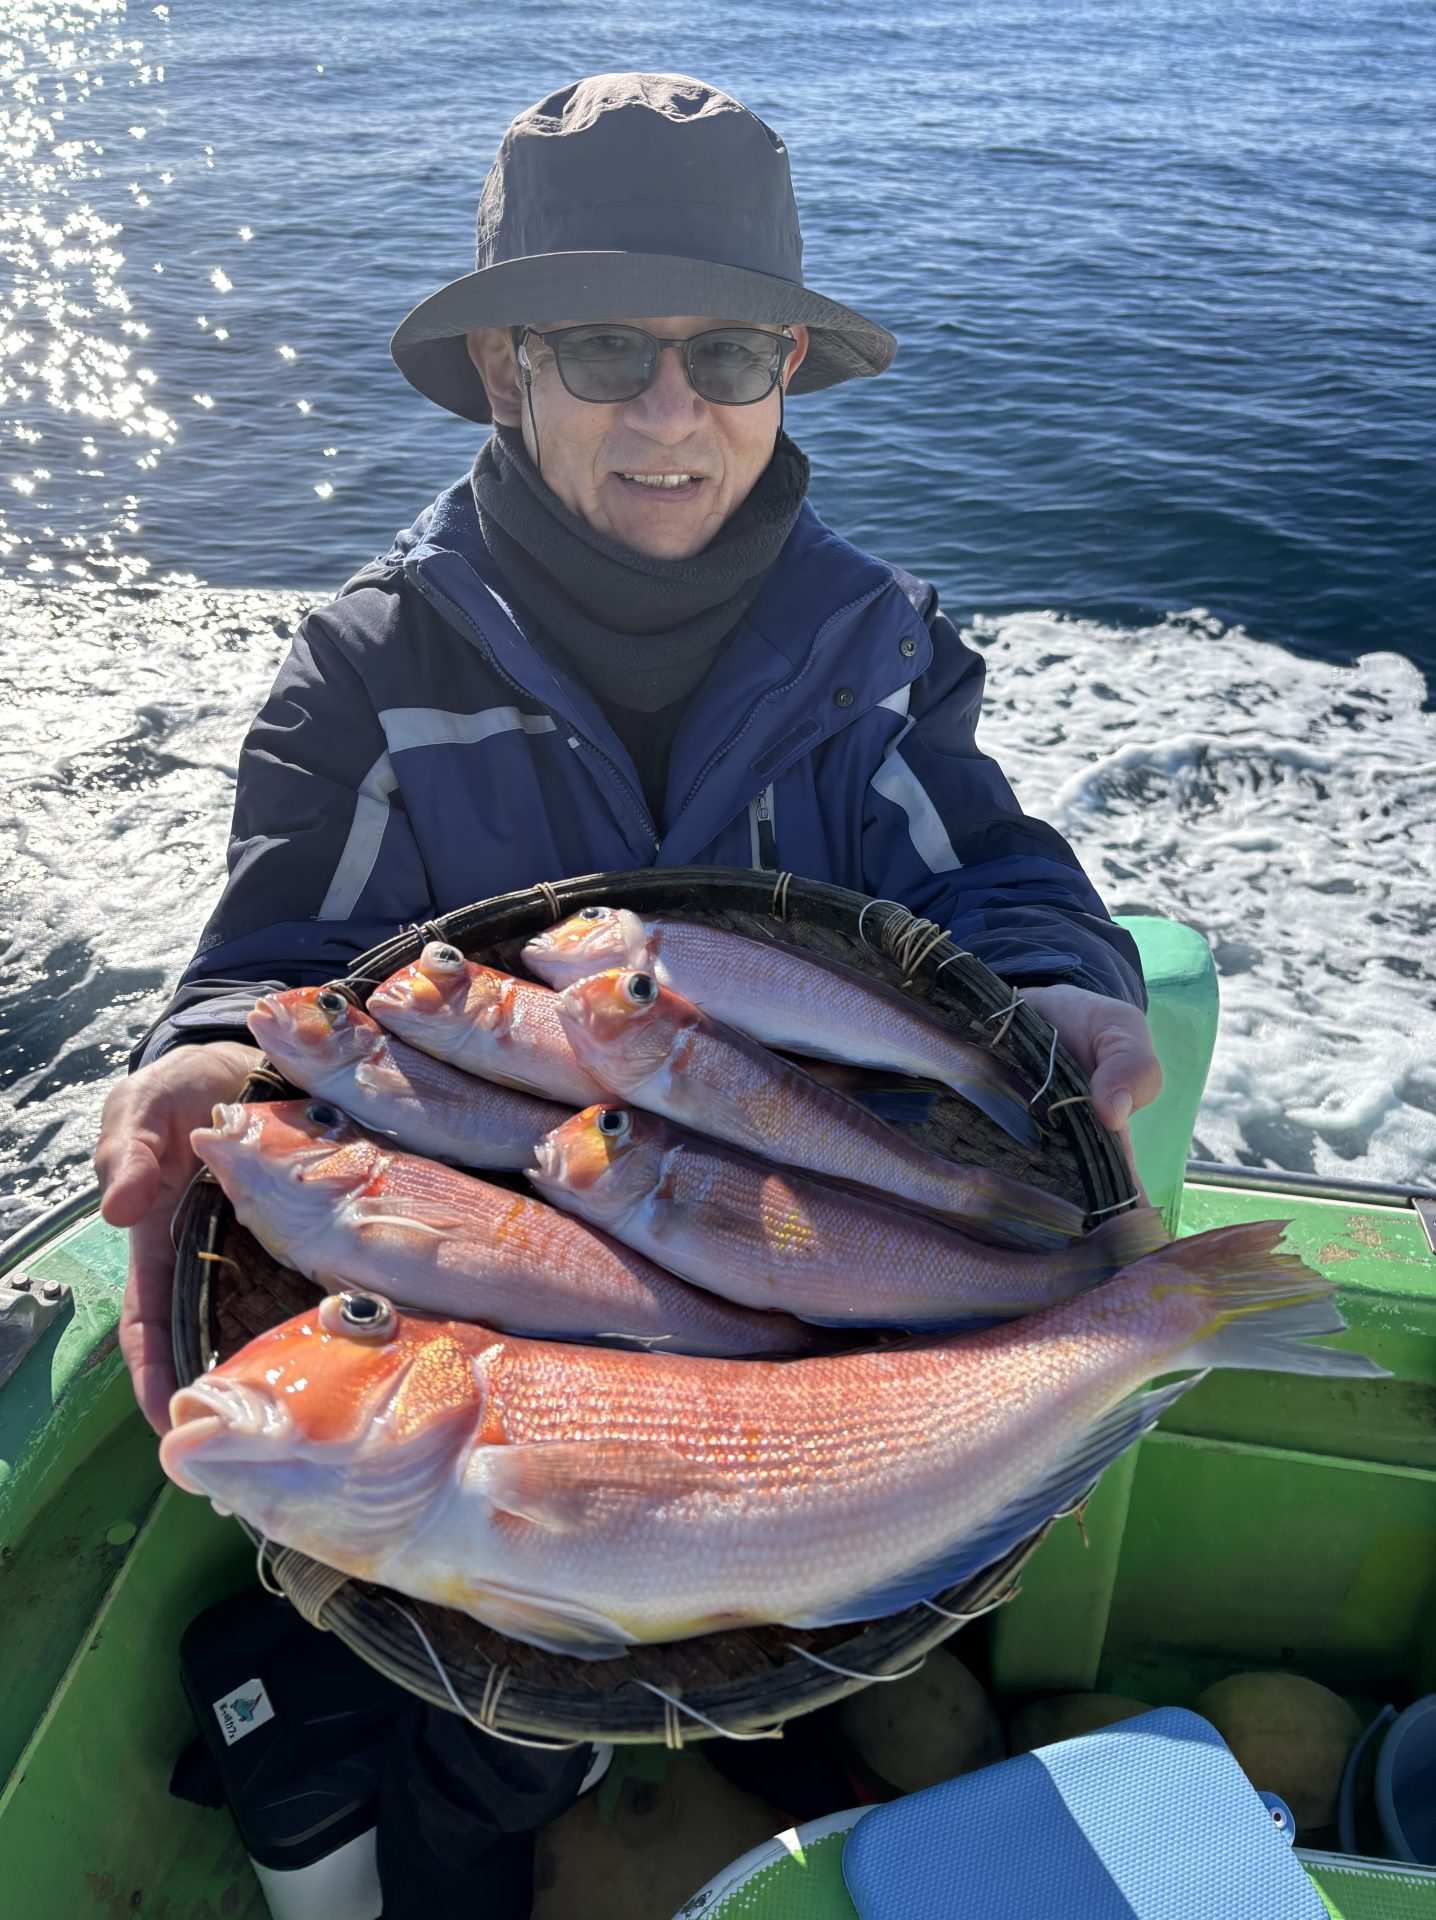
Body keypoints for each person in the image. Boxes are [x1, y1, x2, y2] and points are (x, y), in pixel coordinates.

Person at [93, 71, 1160, 1914]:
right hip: (511, 1387)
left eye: (727, 353)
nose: (673, 413)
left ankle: (763, 1738)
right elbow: (276, 956)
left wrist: (1061, 980)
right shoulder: (367, 670)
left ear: (785, 371)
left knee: (850, 1577)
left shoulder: (879, 645)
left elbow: (984, 871)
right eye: (604, 349)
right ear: (505, 369)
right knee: (500, 1732)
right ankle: (477, 1829)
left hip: (813, 1330)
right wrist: (197, 1054)